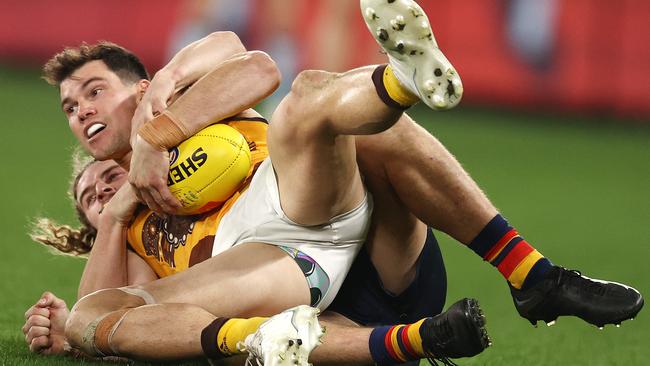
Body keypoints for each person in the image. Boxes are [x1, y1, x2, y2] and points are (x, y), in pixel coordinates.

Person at [24, 0, 643, 364]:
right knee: (337, 121)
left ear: (141, 86)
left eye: (92, 91)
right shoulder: (134, 232)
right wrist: (114, 210)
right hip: (292, 275)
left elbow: (254, 64)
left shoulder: (187, 98)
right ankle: (437, 325)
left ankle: (403, 84)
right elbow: (95, 315)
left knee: (319, 103)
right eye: (69, 109)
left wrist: (155, 129)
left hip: (342, 225)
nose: (78, 111)